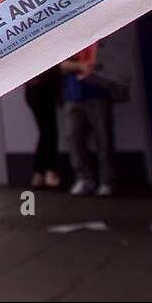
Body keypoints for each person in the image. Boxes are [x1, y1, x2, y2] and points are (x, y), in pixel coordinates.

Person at [60, 45, 116, 196]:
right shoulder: (68, 41)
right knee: (74, 137)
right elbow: (61, 65)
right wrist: (80, 66)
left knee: (103, 138)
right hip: (73, 94)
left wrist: (77, 66)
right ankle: (84, 178)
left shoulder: (100, 42)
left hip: (98, 93)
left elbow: (108, 62)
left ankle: (107, 180)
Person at [24, 65, 63, 189]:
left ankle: (41, 173)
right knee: (49, 131)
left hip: (39, 87)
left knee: (47, 130)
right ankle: (46, 171)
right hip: (41, 87)